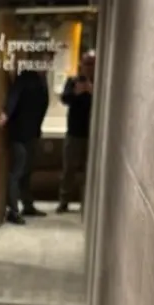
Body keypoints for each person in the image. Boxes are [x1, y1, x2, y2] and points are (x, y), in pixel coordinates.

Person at [0, 55, 50, 225]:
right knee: (18, 170)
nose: (47, 65)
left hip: (32, 133)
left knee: (27, 171)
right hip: (20, 133)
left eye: (48, 61)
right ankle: (13, 210)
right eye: (44, 61)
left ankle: (27, 205)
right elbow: (14, 95)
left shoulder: (42, 80)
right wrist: (6, 113)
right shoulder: (26, 77)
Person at [57, 50, 95, 214]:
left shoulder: (99, 83)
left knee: (89, 171)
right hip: (74, 132)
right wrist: (76, 92)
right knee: (68, 170)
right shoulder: (73, 81)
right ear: (81, 64)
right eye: (86, 63)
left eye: (92, 64)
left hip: (92, 134)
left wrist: (92, 91)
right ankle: (63, 201)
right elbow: (64, 99)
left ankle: (86, 203)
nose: (89, 67)